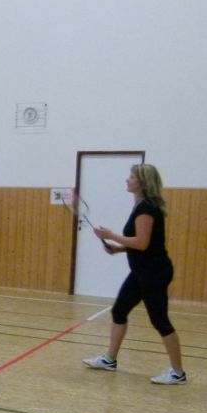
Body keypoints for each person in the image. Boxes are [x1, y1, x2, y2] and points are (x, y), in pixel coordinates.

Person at [83, 163, 186, 385]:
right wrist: (118, 248)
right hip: (141, 272)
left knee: (160, 320)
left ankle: (178, 373)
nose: (127, 179)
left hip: (154, 273)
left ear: (143, 182)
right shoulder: (141, 205)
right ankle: (110, 360)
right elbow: (145, 244)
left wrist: (111, 235)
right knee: (119, 310)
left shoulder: (146, 208)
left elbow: (141, 243)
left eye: (131, 177)